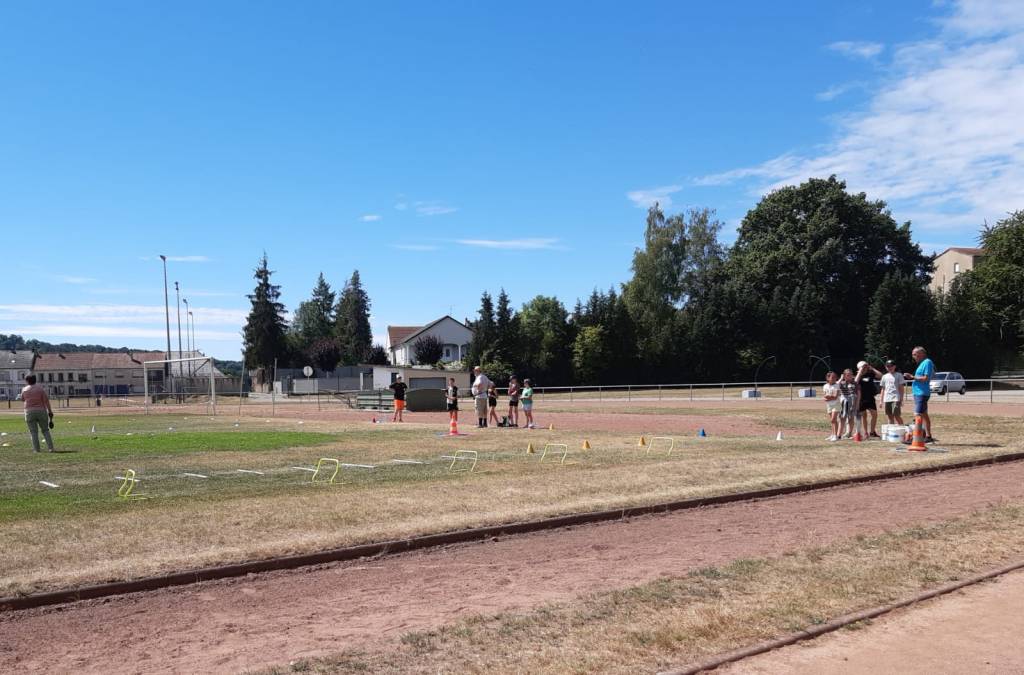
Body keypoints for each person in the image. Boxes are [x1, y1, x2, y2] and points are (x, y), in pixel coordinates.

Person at [904, 346, 936, 442]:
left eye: (915, 354)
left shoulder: (927, 362)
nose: (913, 356)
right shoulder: (922, 363)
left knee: (918, 414)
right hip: (918, 392)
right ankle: (928, 436)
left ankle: (916, 438)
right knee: (924, 414)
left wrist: (912, 377)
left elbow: (926, 378)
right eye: (913, 355)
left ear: (922, 354)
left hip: (922, 393)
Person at [21, 374, 55, 453]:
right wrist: (50, 411)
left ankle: (36, 449)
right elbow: (46, 401)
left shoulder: (24, 389)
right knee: (45, 430)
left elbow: (22, 399)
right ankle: (51, 448)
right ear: (35, 380)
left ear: (27, 381)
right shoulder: (40, 389)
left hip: (29, 412)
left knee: (33, 432)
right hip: (41, 411)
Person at [856, 360, 884, 438]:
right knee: (864, 416)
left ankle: (872, 432)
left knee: (874, 414)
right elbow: (855, 381)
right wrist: (860, 371)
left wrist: (872, 368)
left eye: (865, 366)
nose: (865, 368)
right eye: (863, 367)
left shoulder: (870, 374)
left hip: (870, 398)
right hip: (861, 398)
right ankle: (865, 432)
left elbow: (881, 376)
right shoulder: (859, 375)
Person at [880, 359, 905, 425]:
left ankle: (902, 428)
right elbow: (883, 389)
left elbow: (901, 388)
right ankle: (891, 429)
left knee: (897, 416)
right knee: (890, 417)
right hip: (887, 399)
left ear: (894, 366)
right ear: (886, 367)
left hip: (895, 398)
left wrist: (901, 399)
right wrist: (881, 401)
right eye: (888, 366)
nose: (890, 367)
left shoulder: (899, 375)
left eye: (891, 366)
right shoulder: (884, 376)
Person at [837, 368, 859, 439]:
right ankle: (839, 434)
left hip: (852, 402)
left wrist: (856, 405)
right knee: (842, 418)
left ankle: (849, 433)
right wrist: (841, 378)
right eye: (848, 375)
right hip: (844, 402)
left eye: (851, 375)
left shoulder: (854, 383)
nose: (850, 376)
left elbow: (857, 394)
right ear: (844, 375)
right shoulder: (842, 383)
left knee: (851, 418)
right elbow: (836, 385)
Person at [822, 371, 840, 441]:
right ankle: (832, 434)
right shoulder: (825, 386)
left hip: (836, 404)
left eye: (835, 377)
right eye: (832, 377)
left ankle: (835, 436)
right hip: (829, 405)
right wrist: (829, 397)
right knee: (832, 421)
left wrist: (829, 397)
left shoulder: (837, 385)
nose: (834, 378)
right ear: (828, 378)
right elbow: (825, 396)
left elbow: (835, 397)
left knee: (833, 419)